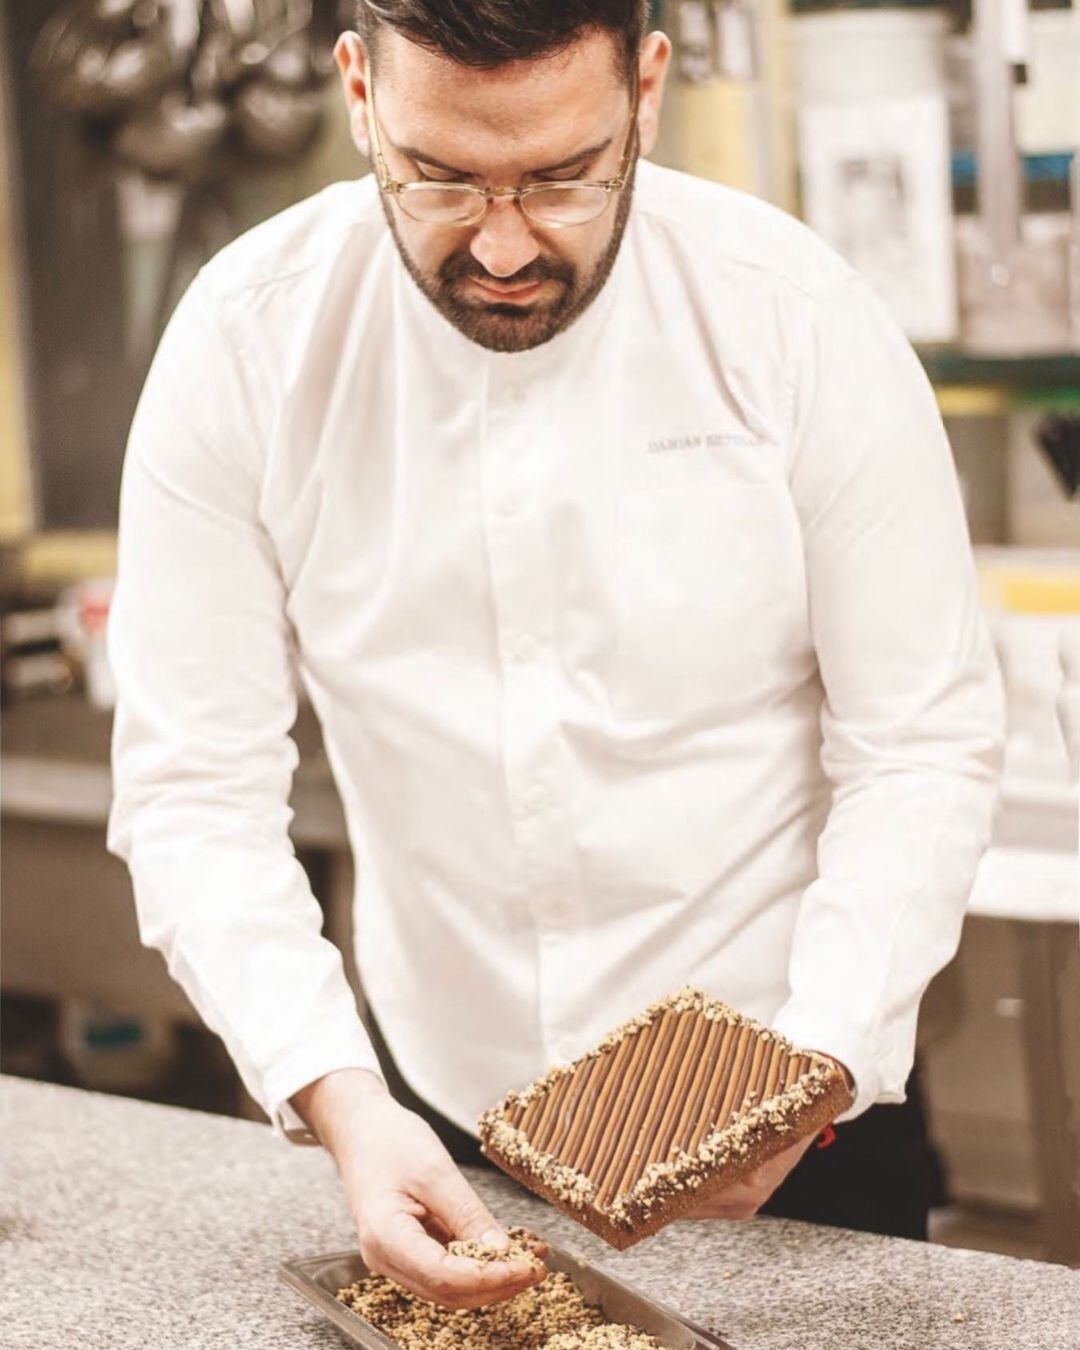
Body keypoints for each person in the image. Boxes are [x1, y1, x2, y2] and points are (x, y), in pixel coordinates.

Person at [106, 0, 1005, 1313]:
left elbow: (920, 742)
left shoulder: (796, 318)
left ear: (647, 89)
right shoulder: (248, 344)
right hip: (431, 1123)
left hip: (800, 1124)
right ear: (358, 93)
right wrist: (337, 1094)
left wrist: (818, 1057)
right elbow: (192, 786)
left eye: (566, 176)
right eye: (442, 177)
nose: (508, 243)